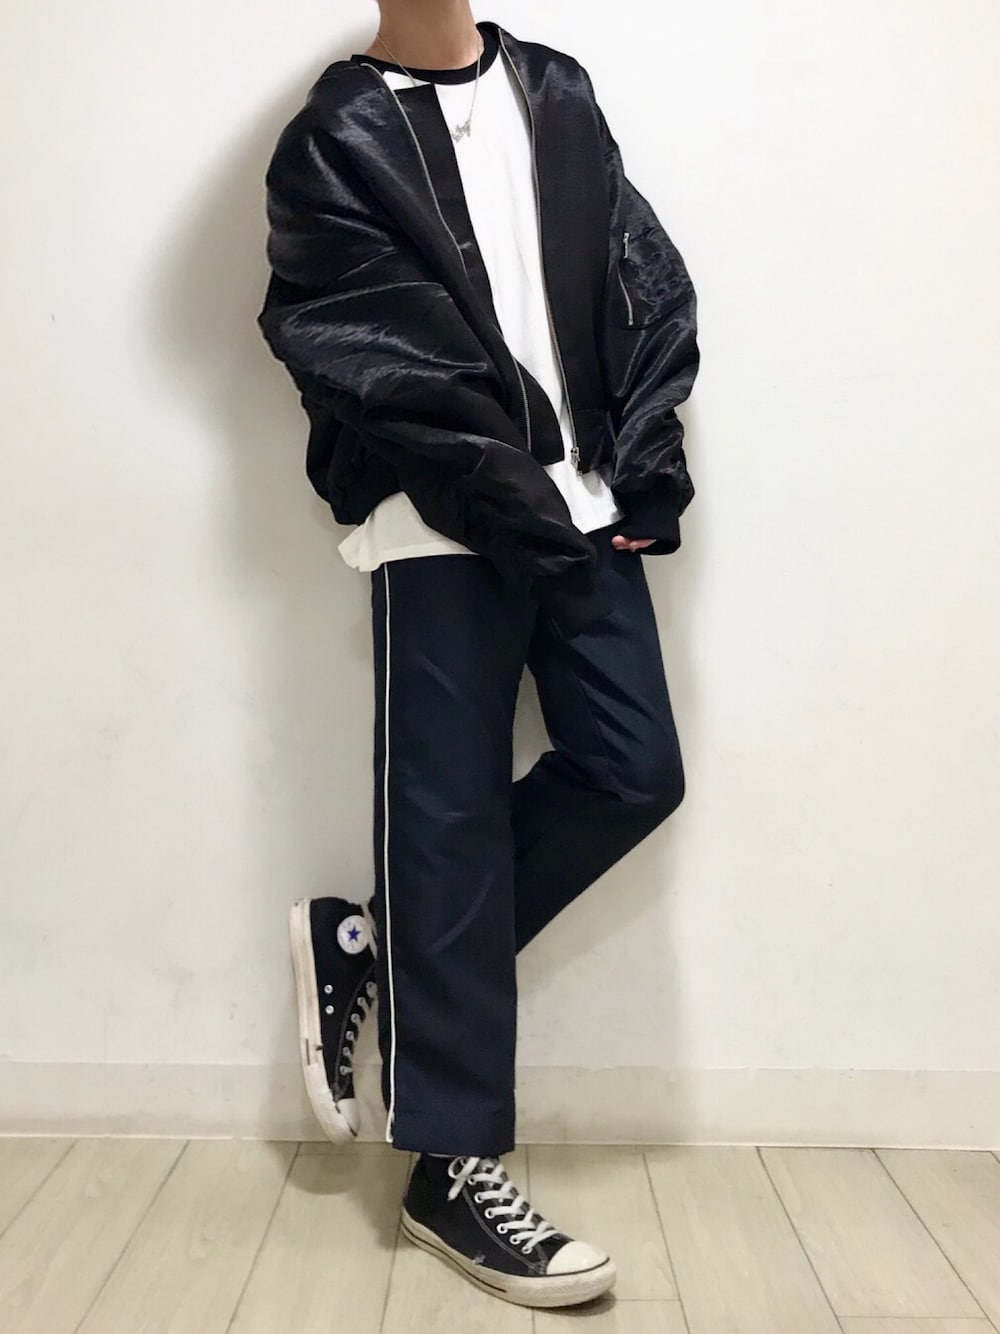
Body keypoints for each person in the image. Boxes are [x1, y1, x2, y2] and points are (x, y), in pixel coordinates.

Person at [257, 1, 699, 1309]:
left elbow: (637, 281)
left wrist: (642, 464)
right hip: (440, 520)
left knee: (632, 769)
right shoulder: (333, 137)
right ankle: (450, 1167)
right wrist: (504, 491)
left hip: (583, 510)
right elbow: (359, 351)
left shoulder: (556, 90)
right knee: (444, 821)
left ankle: (373, 945)